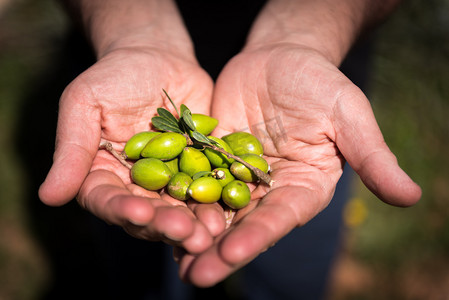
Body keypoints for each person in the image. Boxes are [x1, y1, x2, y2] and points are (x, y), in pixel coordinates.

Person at [38, 0, 421, 297]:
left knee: (290, 273)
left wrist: (302, 36)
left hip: (297, 126)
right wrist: (131, 31)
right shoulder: (182, 157)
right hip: (123, 57)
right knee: (141, 270)